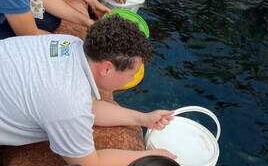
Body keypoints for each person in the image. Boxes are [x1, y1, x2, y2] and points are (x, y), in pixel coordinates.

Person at [0, 15, 176, 165]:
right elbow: (91, 163)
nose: (133, 78)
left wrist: (144, 119)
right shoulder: (67, 101)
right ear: (107, 68)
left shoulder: (69, 44)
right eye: (132, 73)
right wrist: (150, 155)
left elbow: (89, 107)